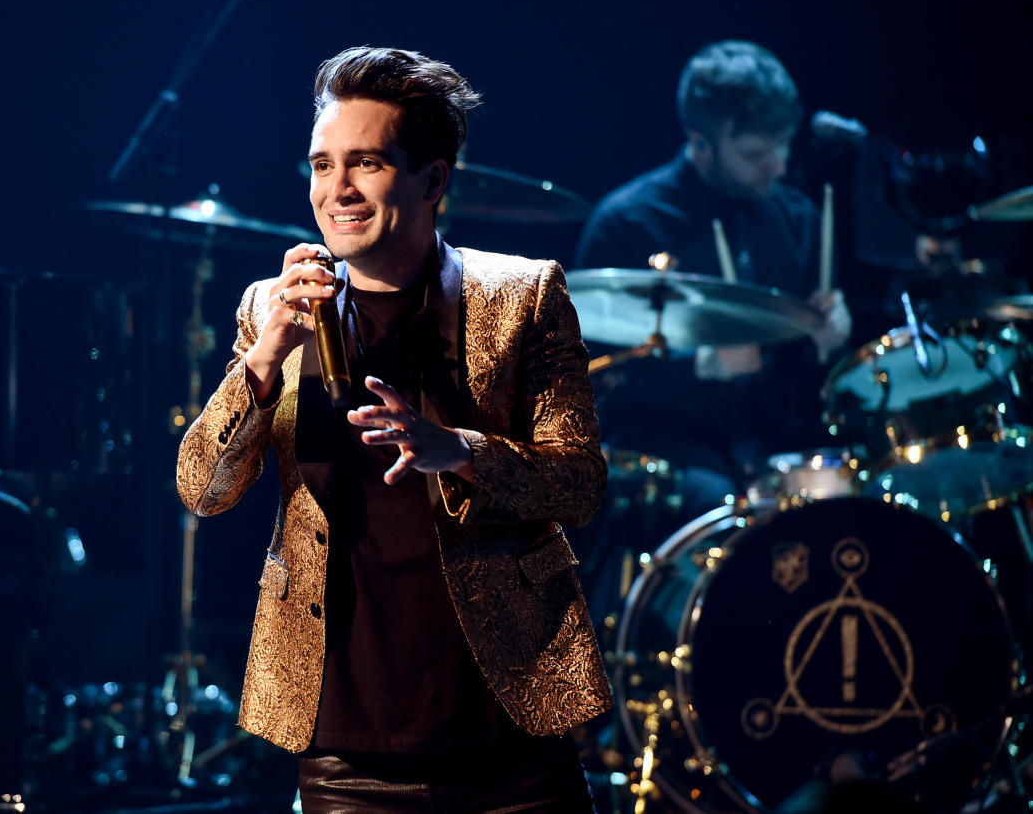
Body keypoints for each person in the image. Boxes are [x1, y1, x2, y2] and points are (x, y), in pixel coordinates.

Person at [177, 46, 612, 812]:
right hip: (348, 740)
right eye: (320, 165)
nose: (335, 190)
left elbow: (579, 482)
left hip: (507, 728)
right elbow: (201, 491)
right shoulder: (268, 307)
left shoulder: (523, 297)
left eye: (365, 164)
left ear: (433, 179)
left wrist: (459, 450)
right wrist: (266, 357)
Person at [573, 40, 853, 522]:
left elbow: (811, 384)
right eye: (756, 153)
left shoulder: (798, 219)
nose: (780, 166)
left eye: (784, 146)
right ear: (700, 142)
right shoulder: (629, 223)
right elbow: (589, 379)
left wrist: (830, 341)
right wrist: (698, 366)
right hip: (665, 444)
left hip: (770, 439)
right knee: (714, 503)